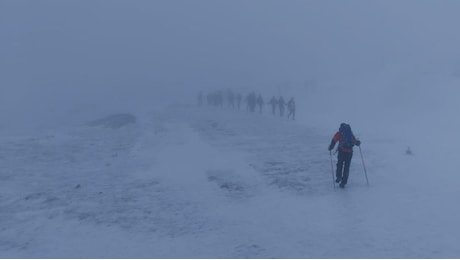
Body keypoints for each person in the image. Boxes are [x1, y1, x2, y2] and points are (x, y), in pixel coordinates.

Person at [328, 123, 361, 188]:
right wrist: (358, 143)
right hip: (349, 152)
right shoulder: (350, 133)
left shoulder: (339, 133)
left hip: (341, 152)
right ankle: (343, 182)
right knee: (347, 167)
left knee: (339, 164)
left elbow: (334, 140)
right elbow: (354, 141)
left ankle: (338, 177)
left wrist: (331, 147)